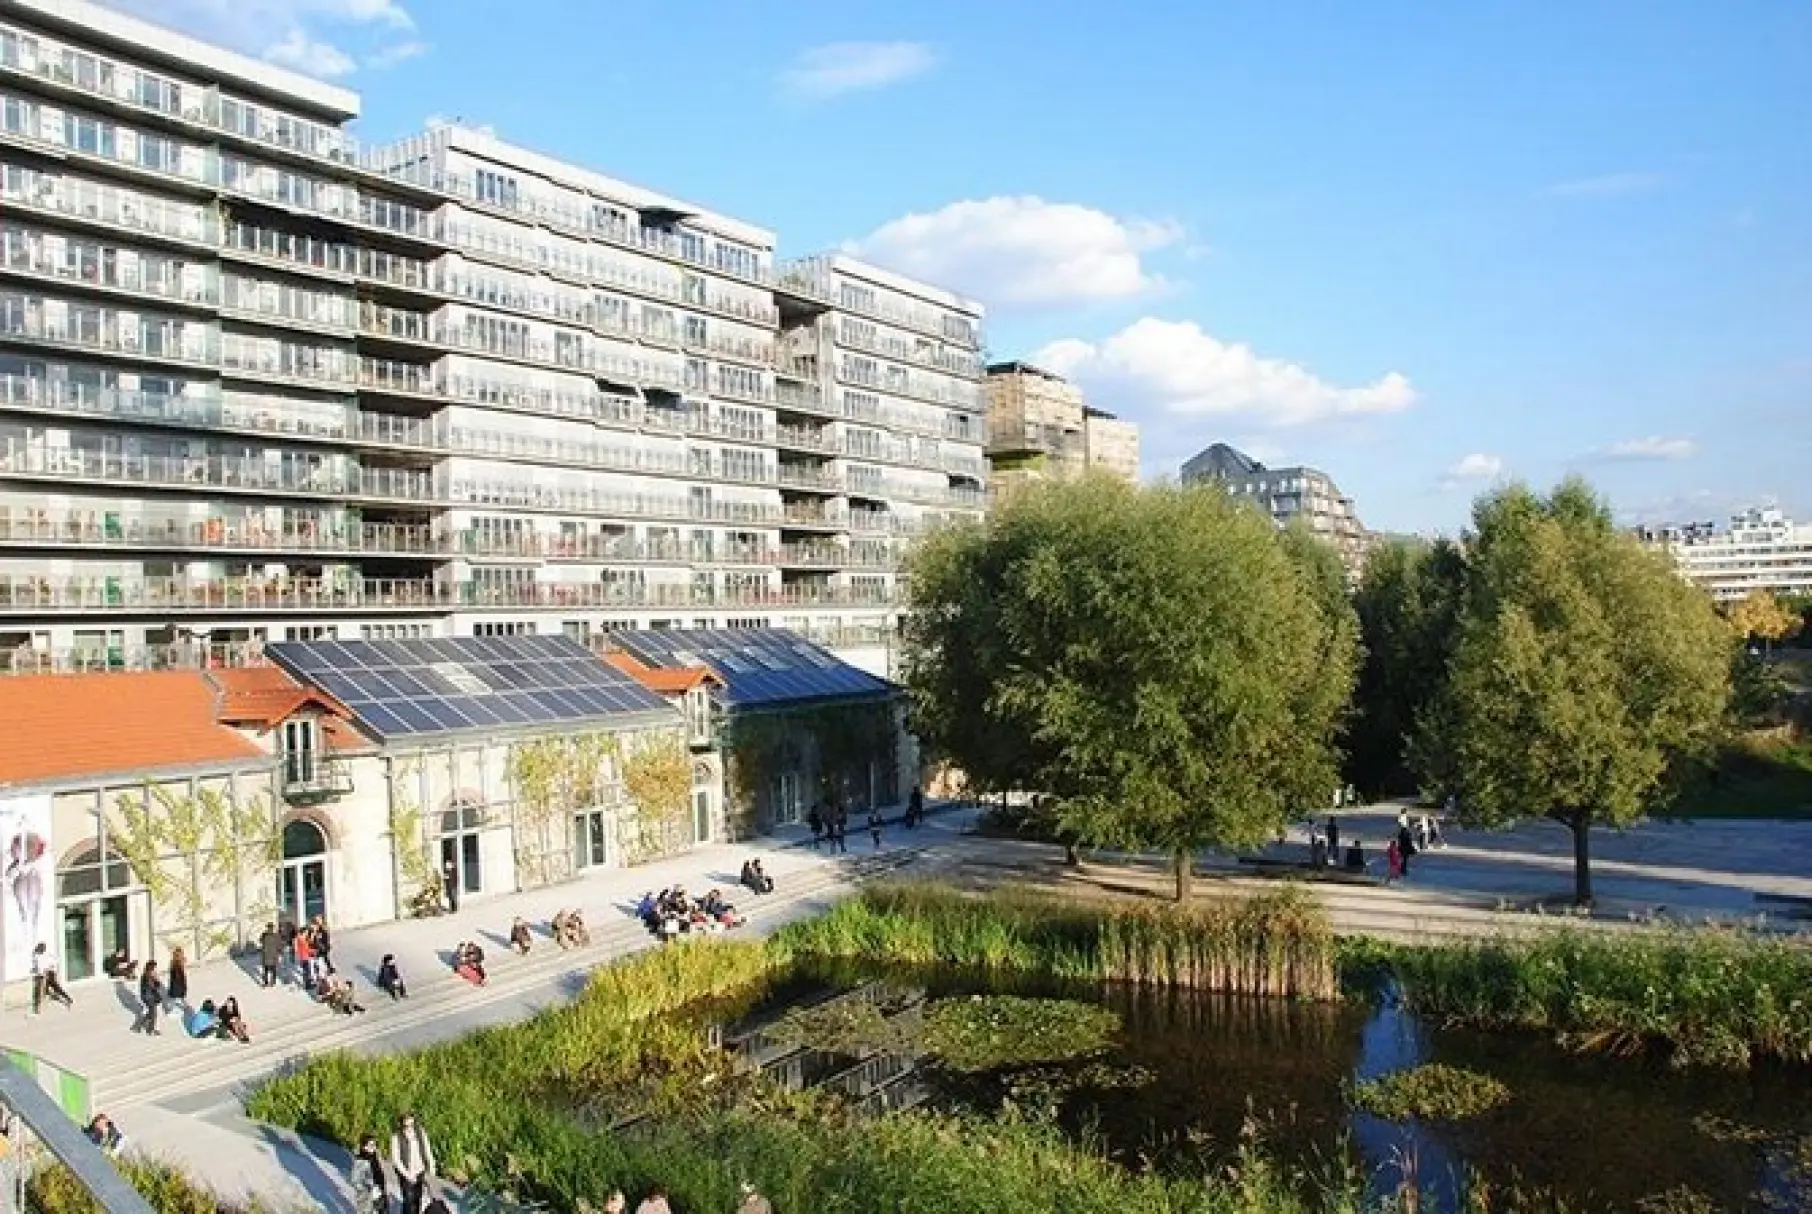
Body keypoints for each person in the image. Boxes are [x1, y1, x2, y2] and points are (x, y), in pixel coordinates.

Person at [389, 1113, 436, 1214]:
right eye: (406, 1126)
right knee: (408, 1200)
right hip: (406, 1173)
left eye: (412, 1125)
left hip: (420, 1170)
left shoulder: (420, 1132)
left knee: (417, 1198)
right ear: (401, 1125)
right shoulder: (396, 1137)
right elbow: (396, 1160)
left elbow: (427, 1150)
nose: (410, 1128)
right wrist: (408, 1175)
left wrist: (432, 1166)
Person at [351, 1133, 390, 1214]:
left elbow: (380, 1175)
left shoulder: (374, 1157)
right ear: (364, 1147)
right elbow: (356, 1182)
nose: (374, 1147)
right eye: (371, 1145)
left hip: (379, 1195)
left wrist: (384, 1191)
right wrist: (371, 1191)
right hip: (367, 1200)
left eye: (375, 1145)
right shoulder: (360, 1161)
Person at [29, 941, 72, 1015]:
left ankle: (66, 998)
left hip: (49, 973)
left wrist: (50, 968)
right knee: (43, 990)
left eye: (42, 949)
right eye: (41, 949)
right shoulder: (36, 955)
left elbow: (54, 962)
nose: (41, 950)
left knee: (53, 987)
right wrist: (35, 970)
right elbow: (38, 966)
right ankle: (37, 1008)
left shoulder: (47, 955)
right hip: (42, 974)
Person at [135, 960, 164, 1035]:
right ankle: (150, 1030)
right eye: (155, 968)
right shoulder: (148, 976)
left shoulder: (148, 975)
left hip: (149, 996)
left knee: (151, 1013)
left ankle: (139, 1025)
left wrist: (156, 979)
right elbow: (153, 987)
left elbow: (155, 986)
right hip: (149, 997)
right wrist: (156, 979)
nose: (156, 969)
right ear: (151, 968)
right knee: (153, 1014)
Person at [258, 922, 282, 988]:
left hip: (266, 954)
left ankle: (266, 982)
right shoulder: (276, 935)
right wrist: (280, 952)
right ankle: (273, 982)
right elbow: (279, 945)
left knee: (266, 970)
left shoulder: (264, 934)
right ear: (272, 928)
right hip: (273, 955)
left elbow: (260, 941)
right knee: (273, 969)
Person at [166, 946, 189, 1014]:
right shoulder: (175, 962)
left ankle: (182, 1006)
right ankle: (171, 1007)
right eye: (181, 953)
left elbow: (182, 972)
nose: (182, 954)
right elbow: (176, 973)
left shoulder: (175, 961)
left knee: (178, 996)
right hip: (177, 982)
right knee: (176, 996)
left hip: (178, 981)